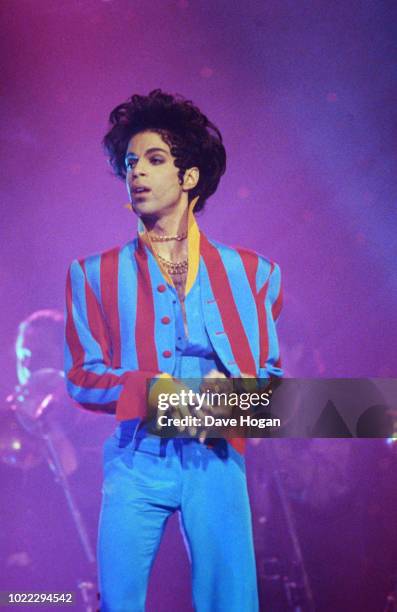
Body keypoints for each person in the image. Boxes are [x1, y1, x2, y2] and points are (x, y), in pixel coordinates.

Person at [64, 89, 283, 611]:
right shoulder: (93, 274)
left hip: (217, 456)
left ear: (189, 178)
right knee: (119, 601)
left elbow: (273, 379)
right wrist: (150, 392)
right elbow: (80, 376)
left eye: (154, 160)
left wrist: (235, 400)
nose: (136, 172)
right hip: (136, 458)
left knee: (230, 601)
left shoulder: (255, 274)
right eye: (130, 162)